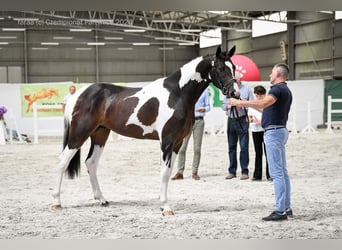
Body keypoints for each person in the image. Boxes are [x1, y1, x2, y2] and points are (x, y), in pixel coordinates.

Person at [229, 63, 293, 221]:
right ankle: (286, 206)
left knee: (277, 173)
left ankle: (280, 210)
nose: (270, 75)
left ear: (278, 73)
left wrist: (240, 103)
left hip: (274, 131)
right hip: (280, 130)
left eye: (272, 72)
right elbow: (266, 109)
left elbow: (263, 103)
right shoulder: (285, 90)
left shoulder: (277, 89)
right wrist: (244, 101)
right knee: (282, 172)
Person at [171, 88, 211, 180]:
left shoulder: (204, 92)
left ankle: (194, 171)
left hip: (199, 121)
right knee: (182, 148)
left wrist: (204, 109)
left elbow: (208, 107)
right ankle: (180, 172)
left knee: (197, 148)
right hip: (187, 121)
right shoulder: (188, 90)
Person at [221, 73, 254, 180]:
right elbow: (222, 105)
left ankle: (244, 171)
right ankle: (232, 171)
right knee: (231, 147)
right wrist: (228, 105)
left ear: (240, 80)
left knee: (244, 146)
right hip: (231, 119)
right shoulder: (227, 90)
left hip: (242, 119)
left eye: (236, 80)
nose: (234, 82)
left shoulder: (247, 90)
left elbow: (252, 104)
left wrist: (242, 105)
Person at [248, 85, 271, 181]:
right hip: (255, 130)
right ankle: (257, 174)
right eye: (257, 95)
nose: (259, 97)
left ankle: (270, 174)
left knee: (268, 153)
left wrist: (261, 122)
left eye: (261, 95)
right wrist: (252, 120)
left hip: (265, 129)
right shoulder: (253, 104)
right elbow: (249, 117)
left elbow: (270, 116)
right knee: (258, 152)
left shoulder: (268, 104)